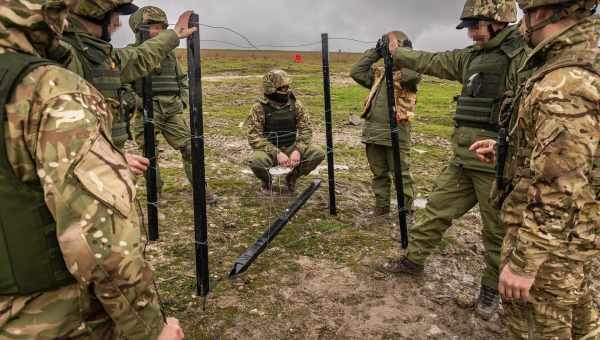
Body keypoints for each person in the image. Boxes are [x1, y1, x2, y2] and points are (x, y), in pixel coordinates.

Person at [0, 0, 183, 338]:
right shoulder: (50, 82)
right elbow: (99, 243)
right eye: (115, 17)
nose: (118, 25)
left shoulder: (86, 56)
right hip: (44, 315)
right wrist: (151, 330)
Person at [380, 0, 530, 320]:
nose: (472, 34)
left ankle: (490, 290)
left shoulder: (523, 56)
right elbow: (434, 60)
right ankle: (413, 261)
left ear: (498, 21)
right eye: (470, 28)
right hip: (462, 159)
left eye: (476, 26)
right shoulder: (471, 57)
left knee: (496, 233)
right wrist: (398, 54)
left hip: (497, 165)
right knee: (436, 209)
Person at [470, 0, 599, 337]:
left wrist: (524, 264)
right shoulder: (581, 64)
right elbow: (575, 152)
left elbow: (560, 186)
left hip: (550, 252)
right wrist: (509, 150)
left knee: (536, 328)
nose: (522, 26)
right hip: (574, 237)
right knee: (580, 324)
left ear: (540, 14)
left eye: (524, 17)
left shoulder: (563, 84)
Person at [350, 31, 421, 217]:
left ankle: (405, 210)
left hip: (397, 131)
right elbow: (356, 72)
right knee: (379, 173)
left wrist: (400, 53)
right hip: (373, 131)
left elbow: (413, 74)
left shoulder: (409, 75)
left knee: (401, 174)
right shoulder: (378, 74)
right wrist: (376, 52)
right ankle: (381, 206)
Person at [246, 70, 325, 193]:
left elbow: (306, 130)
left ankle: (292, 177)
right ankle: (267, 181)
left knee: (317, 153)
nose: (285, 90)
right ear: (270, 88)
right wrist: (276, 152)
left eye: (287, 87)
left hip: (291, 147)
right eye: (281, 88)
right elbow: (254, 137)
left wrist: (298, 150)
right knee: (256, 162)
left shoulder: (296, 105)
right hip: (269, 150)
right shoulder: (259, 108)